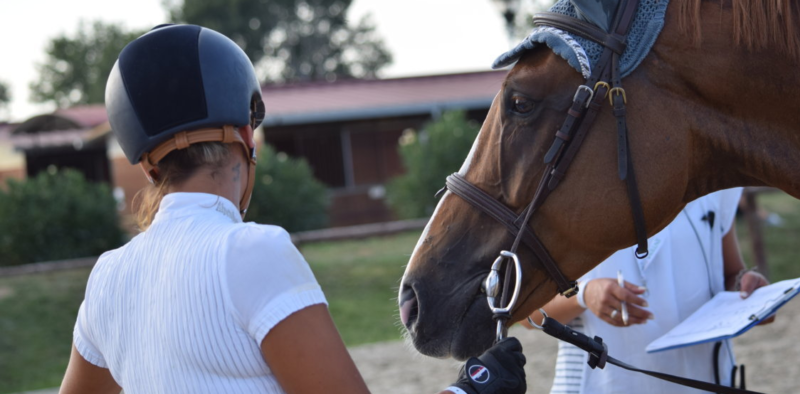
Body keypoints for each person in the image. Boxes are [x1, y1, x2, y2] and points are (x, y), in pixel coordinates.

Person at [59, 24, 526, 394]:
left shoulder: (107, 278)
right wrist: (471, 390)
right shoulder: (252, 250)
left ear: (147, 167)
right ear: (246, 137)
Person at [524, 188, 771, 394]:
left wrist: (748, 290)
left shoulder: (714, 188)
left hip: (705, 381)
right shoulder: (570, 190)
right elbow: (527, 312)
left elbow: (732, 274)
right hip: (601, 385)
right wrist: (585, 295)